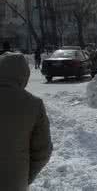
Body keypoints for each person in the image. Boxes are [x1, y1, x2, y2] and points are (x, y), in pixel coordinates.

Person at [0, 52, 53, 189]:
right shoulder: (33, 104)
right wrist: (24, 177)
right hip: (13, 183)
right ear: (24, 75)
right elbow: (43, 150)